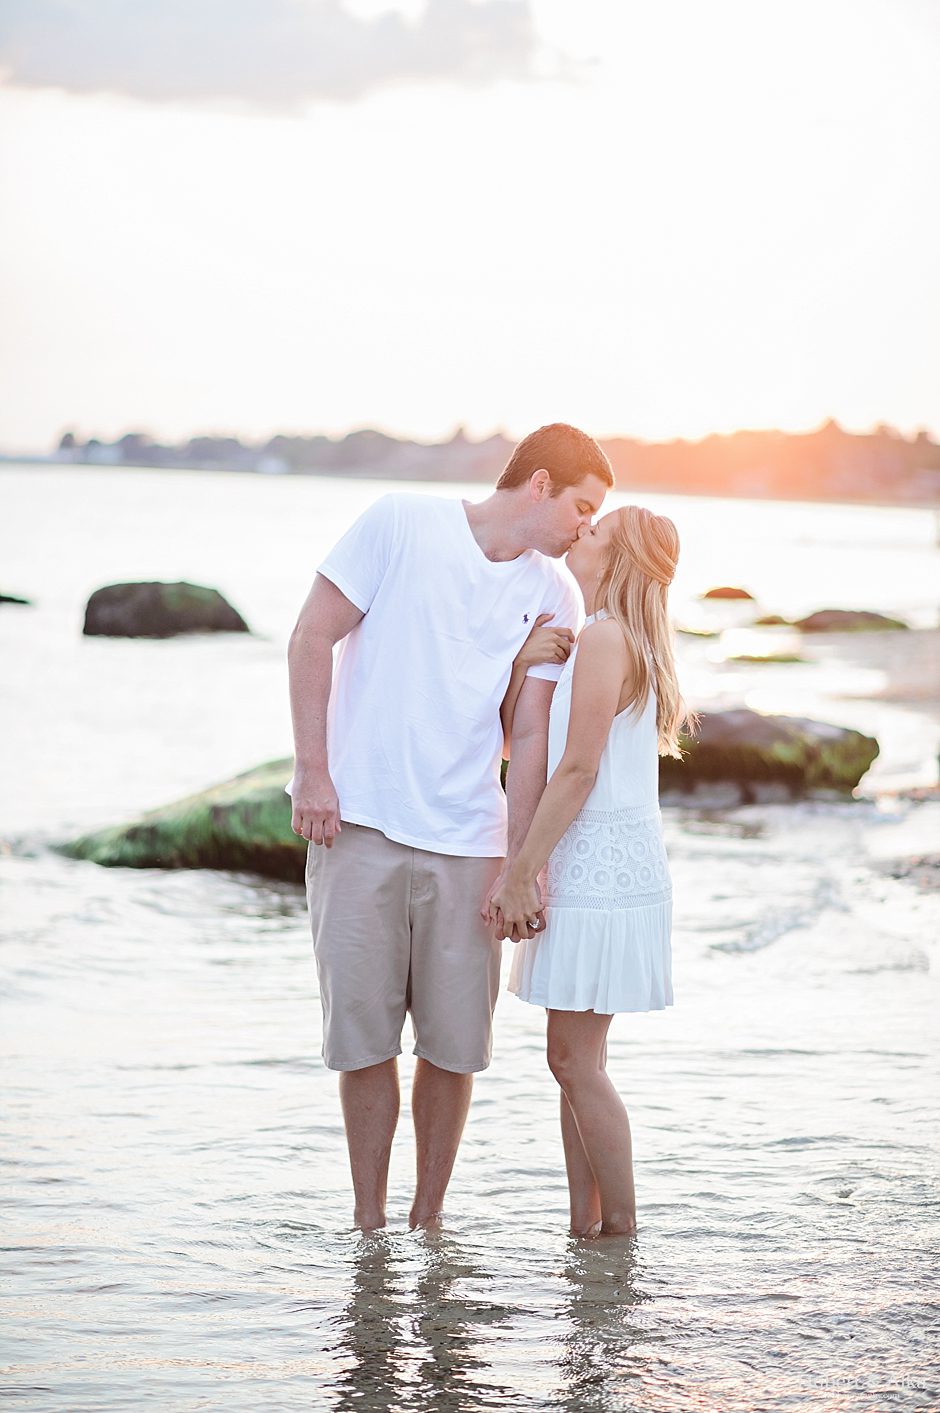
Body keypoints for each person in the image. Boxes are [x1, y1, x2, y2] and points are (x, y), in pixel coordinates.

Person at [286, 423, 614, 1231]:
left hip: (472, 842)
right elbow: (311, 637)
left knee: (453, 1046)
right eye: (581, 505)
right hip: (358, 822)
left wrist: (523, 861)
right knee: (362, 1042)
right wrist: (313, 772)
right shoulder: (401, 521)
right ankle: (368, 1230)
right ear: (538, 484)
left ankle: (426, 1223)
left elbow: (525, 732)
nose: (585, 526)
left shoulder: (555, 594)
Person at [487, 505, 694, 1238]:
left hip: (599, 869)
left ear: (621, 555)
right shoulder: (610, 636)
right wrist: (522, 662)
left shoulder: (608, 638)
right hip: (605, 862)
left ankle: (623, 1233)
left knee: (575, 1061)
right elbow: (535, 745)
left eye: (597, 527)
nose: (583, 531)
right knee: (575, 1060)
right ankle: (587, 1231)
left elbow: (577, 770)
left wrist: (520, 871)